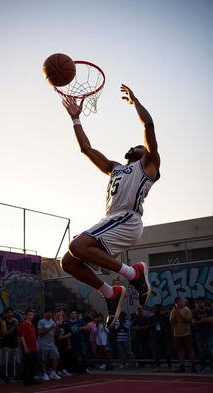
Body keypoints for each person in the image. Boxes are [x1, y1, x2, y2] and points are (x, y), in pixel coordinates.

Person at [61, 85, 160, 327]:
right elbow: (86, 149)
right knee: (69, 262)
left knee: (77, 244)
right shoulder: (115, 167)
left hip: (127, 218)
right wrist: (75, 118)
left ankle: (133, 274)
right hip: (111, 220)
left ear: (144, 152)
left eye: (138, 145)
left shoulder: (148, 165)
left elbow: (148, 126)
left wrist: (135, 101)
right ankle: (110, 293)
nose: (133, 146)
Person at [170, 297, 197, 373]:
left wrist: (180, 315)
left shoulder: (187, 310)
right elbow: (171, 324)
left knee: (190, 350)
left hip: (186, 333)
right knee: (180, 351)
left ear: (182, 302)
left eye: (179, 302)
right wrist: (174, 317)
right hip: (177, 334)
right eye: (177, 302)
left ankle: (193, 366)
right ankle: (182, 366)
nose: (178, 303)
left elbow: (189, 321)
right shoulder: (173, 311)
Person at [37, 308, 61, 381]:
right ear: (44, 313)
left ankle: (53, 373)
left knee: (57, 356)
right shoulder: (41, 322)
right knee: (44, 359)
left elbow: (56, 333)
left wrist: (57, 325)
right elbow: (40, 333)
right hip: (43, 343)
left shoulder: (53, 322)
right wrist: (50, 328)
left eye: (50, 312)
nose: (49, 314)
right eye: (48, 312)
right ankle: (44, 374)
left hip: (51, 343)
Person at [148, 304, 173, 372]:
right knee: (156, 352)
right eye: (155, 309)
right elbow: (148, 326)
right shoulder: (151, 317)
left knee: (167, 351)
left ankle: (170, 366)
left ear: (160, 309)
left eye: (157, 309)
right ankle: (157, 366)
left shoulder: (164, 317)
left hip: (164, 336)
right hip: (155, 336)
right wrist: (153, 324)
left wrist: (163, 324)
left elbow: (169, 325)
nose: (156, 310)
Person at [20, 308, 40, 386]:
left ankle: (32, 379)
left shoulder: (32, 324)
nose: (31, 316)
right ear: (26, 315)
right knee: (28, 364)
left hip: (34, 347)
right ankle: (26, 381)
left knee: (33, 364)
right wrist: (25, 347)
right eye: (29, 315)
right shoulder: (24, 324)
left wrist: (37, 346)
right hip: (28, 347)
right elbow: (22, 336)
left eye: (32, 315)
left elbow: (34, 337)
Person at [192, 297, 213, 372]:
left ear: (204, 302)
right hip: (199, 334)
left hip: (209, 334)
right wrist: (203, 320)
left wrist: (201, 321)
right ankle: (202, 367)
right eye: (198, 302)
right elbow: (193, 322)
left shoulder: (209, 311)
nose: (200, 304)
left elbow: (211, 320)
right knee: (201, 351)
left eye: (201, 302)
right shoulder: (196, 312)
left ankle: (211, 365)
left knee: (210, 351)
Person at [1, 307, 21, 382]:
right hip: (7, 344)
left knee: (16, 360)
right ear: (6, 314)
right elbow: (4, 333)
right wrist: (13, 327)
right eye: (8, 312)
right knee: (6, 361)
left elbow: (19, 332)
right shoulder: (4, 321)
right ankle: (6, 376)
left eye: (11, 312)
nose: (10, 314)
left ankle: (15, 375)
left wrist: (17, 325)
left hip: (15, 344)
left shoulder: (15, 321)